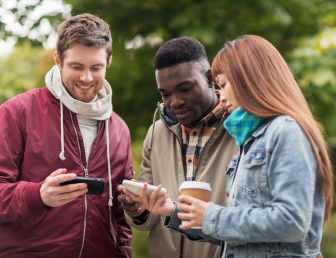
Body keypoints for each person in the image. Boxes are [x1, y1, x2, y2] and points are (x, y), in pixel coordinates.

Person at [129, 34, 334, 257]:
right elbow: (238, 234)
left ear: (249, 79)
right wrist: (174, 211)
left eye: (224, 84)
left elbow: (292, 221)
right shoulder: (251, 140)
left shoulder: (286, 132)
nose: (222, 96)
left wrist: (210, 216)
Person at [0, 13, 133, 257]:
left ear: (109, 62)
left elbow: (120, 219)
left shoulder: (119, 129)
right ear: (58, 60)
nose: (86, 78)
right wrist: (37, 195)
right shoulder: (17, 112)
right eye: (76, 67)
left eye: (96, 68)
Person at [118, 37, 238, 258]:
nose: (175, 102)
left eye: (185, 89)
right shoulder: (156, 133)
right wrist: (138, 211)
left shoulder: (240, 129)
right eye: (165, 94)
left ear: (210, 78)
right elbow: (148, 221)